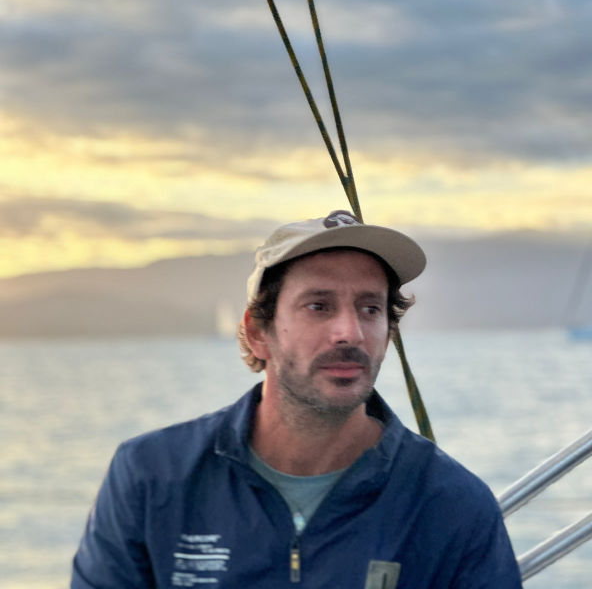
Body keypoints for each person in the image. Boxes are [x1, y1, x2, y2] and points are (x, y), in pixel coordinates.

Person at [71, 210, 523, 588]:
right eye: (318, 306)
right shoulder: (152, 477)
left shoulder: (450, 505)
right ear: (258, 332)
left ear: (388, 332)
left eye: (370, 309)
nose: (350, 332)